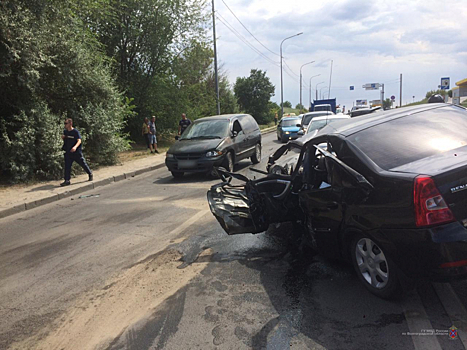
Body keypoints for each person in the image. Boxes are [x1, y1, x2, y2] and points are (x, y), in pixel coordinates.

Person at [60, 118, 92, 186]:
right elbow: (66, 139)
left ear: (70, 124)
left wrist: (75, 147)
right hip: (68, 152)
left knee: (82, 163)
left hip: (76, 152)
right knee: (67, 166)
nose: (65, 125)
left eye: (66, 123)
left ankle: (90, 173)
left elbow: (79, 140)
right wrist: (63, 137)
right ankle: (67, 180)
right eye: (64, 123)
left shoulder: (75, 132)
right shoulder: (65, 132)